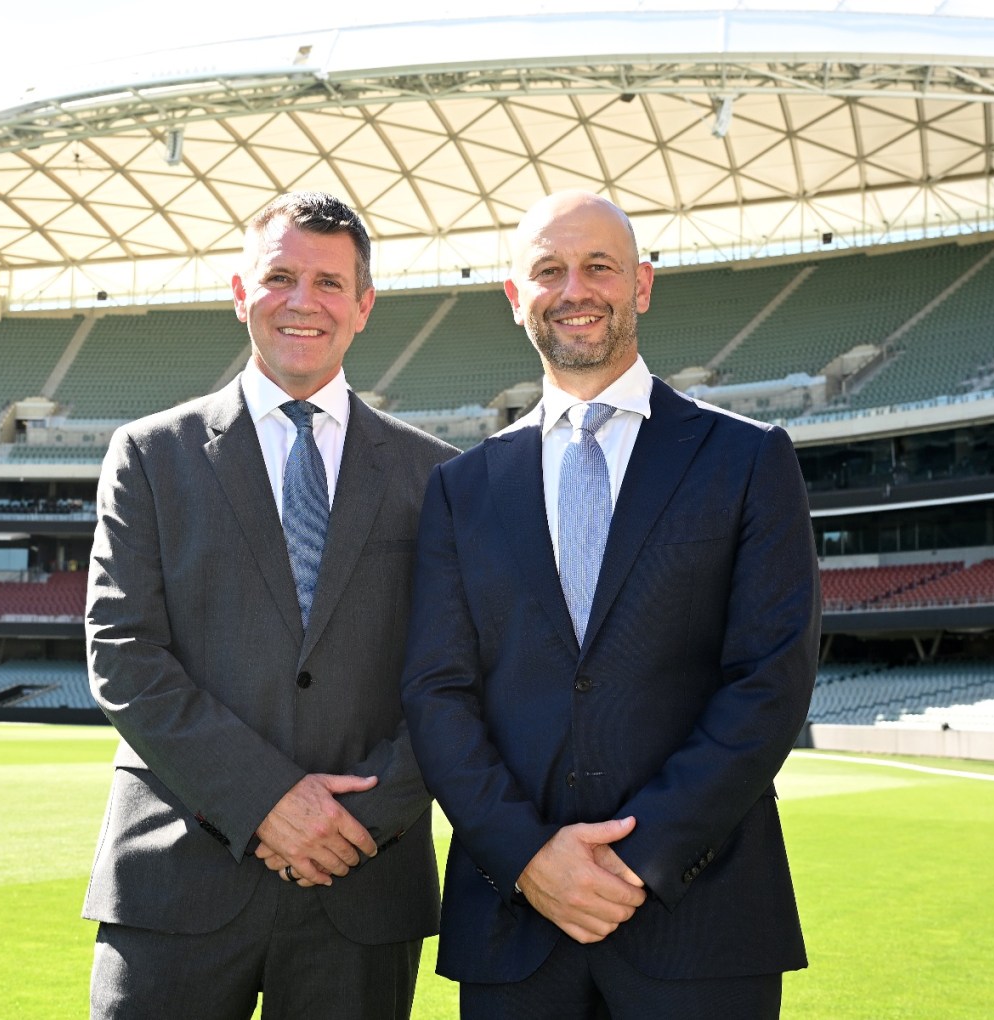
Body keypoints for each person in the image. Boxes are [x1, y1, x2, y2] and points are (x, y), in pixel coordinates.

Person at [400, 190, 820, 1019]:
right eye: (549, 270)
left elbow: (770, 679)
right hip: (513, 927)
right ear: (516, 298)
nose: (576, 289)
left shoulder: (746, 458)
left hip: (699, 922)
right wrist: (527, 858)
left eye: (600, 267)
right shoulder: (462, 488)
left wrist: (639, 859)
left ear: (642, 285)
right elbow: (436, 692)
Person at [84, 191, 457, 1019]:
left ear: (363, 306)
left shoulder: (438, 478)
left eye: (328, 282)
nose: (302, 301)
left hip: (361, 883)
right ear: (238, 292)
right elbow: (123, 653)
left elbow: (456, 675)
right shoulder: (150, 455)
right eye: (279, 276)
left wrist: (362, 820)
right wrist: (267, 804)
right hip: (174, 882)